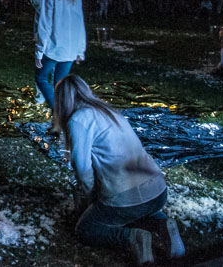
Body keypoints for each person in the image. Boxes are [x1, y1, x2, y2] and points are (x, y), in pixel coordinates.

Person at [53, 75, 184, 265]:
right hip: (157, 192)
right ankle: (163, 224)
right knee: (135, 211)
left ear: (61, 101)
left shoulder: (78, 119)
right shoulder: (108, 111)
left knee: (87, 229)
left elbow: (82, 168)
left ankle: (132, 237)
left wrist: (88, 199)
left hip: (125, 196)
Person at [35, 0, 86, 109]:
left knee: (41, 78)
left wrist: (39, 51)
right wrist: (80, 50)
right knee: (60, 84)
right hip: (70, 50)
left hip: (54, 48)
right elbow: (80, 24)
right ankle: (63, 112)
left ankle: (57, 112)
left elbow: (45, 25)